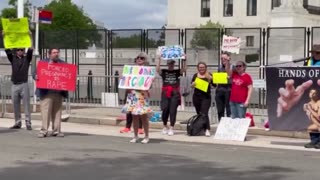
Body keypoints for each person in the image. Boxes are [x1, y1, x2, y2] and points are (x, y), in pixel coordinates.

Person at [278, 45, 320, 148]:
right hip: (310, 90)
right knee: (310, 117)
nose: (315, 54)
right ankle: (314, 140)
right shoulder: (308, 62)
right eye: (314, 52)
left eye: (317, 53)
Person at [34, 48, 68, 138]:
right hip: (46, 92)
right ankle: (44, 130)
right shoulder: (43, 63)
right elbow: (34, 73)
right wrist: (36, 76)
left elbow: (68, 75)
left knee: (57, 112)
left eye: (57, 52)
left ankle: (56, 130)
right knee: (45, 112)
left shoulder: (63, 63)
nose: (56, 54)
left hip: (58, 92)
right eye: (54, 52)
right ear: (49, 54)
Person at [3, 31, 33, 130]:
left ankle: (28, 122)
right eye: (19, 49)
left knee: (26, 104)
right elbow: (7, 48)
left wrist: (30, 36)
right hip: (14, 84)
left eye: (22, 49)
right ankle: (17, 122)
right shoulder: (13, 58)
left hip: (24, 84)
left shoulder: (27, 59)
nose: (20, 51)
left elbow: (31, 48)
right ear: (16, 51)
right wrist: (4, 37)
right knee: (15, 104)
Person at [121, 52, 153, 144]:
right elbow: (126, 81)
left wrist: (149, 83)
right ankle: (135, 136)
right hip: (133, 94)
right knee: (134, 116)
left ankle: (146, 136)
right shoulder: (131, 70)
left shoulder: (147, 71)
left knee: (143, 116)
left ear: (145, 60)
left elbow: (149, 85)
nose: (139, 59)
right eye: (138, 58)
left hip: (142, 95)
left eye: (142, 58)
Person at [156, 56, 187, 136]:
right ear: (167, 64)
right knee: (165, 109)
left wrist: (184, 60)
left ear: (174, 64)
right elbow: (157, 70)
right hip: (165, 92)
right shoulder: (164, 71)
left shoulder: (176, 72)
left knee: (173, 110)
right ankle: (165, 126)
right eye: (170, 63)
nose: (171, 65)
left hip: (175, 92)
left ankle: (171, 127)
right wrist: (158, 59)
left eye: (172, 63)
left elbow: (184, 69)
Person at [191, 62, 212, 137]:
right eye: (200, 67)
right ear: (198, 68)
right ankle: (201, 129)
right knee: (199, 114)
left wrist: (210, 80)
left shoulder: (209, 75)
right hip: (196, 97)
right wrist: (192, 85)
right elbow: (192, 85)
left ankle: (207, 129)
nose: (201, 69)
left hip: (206, 97)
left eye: (203, 67)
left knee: (204, 113)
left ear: (206, 68)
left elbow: (214, 86)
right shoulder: (195, 75)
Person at [214, 52, 231, 121]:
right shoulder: (220, 67)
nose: (223, 60)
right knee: (220, 109)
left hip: (228, 90)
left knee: (229, 109)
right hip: (220, 90)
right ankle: (220, 123)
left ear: (229, 58)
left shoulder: (233, 67)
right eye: (221, 58)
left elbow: (230, 75)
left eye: (225, 58)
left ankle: (229, 124)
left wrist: (227, 63)